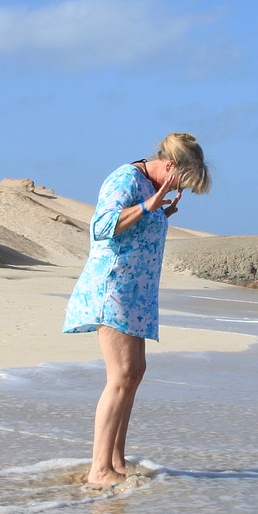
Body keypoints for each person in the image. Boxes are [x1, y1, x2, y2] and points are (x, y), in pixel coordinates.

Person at [63, 133, 212, 488]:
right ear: (171, 165)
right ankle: (99, 469)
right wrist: (148, 206)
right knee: (121, 375)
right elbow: (101, 227)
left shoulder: (150, 186)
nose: (182, 189)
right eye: (183, 181)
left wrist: (158, 209)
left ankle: (116, 460)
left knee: (134, 373)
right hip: (113, 288)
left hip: (136, 293)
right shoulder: (126, 179)